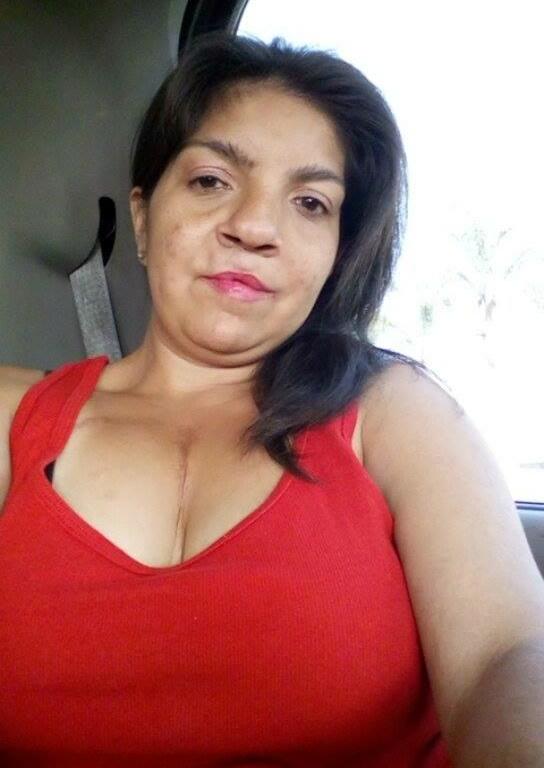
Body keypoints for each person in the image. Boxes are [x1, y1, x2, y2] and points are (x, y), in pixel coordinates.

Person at [1, 31, 543, 768]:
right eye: (211, 181)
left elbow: (505, 658)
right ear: (143, 218)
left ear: (336, 254)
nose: (255, 227)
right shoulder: (13, 415)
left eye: (311, 203)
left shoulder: (395, 412)